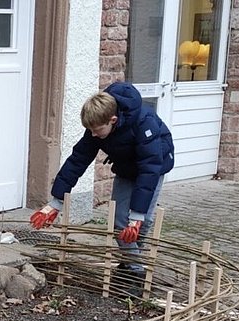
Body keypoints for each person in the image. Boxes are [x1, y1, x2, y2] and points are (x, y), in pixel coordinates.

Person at [30, 82, 175, 287]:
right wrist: (56, 202)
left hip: (154, 167)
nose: (94, 135)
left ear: (113, 120)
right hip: (126, 167)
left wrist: (137, 215)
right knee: (119, 222)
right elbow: (77, 160)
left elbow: (149, 168)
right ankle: (135, 266)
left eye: (97, 131)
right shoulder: (97, 126)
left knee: (143, 220)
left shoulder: (145, 123)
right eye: (91, 131)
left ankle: (133, 270)